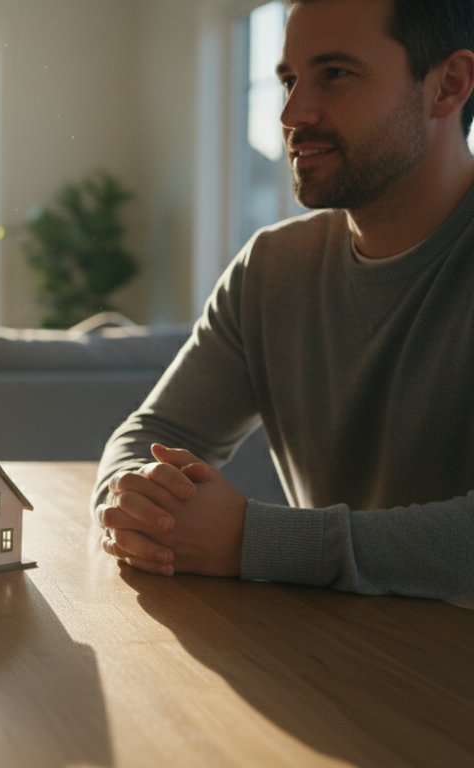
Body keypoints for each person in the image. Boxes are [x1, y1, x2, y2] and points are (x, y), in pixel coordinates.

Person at [93, 0, 474, 605]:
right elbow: (158, 431)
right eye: (290, 80)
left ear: (447, 86)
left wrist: (256, 540)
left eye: (336, 74)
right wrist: (137, 505)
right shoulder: (272, 268)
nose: (292, 113)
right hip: (327, 663)